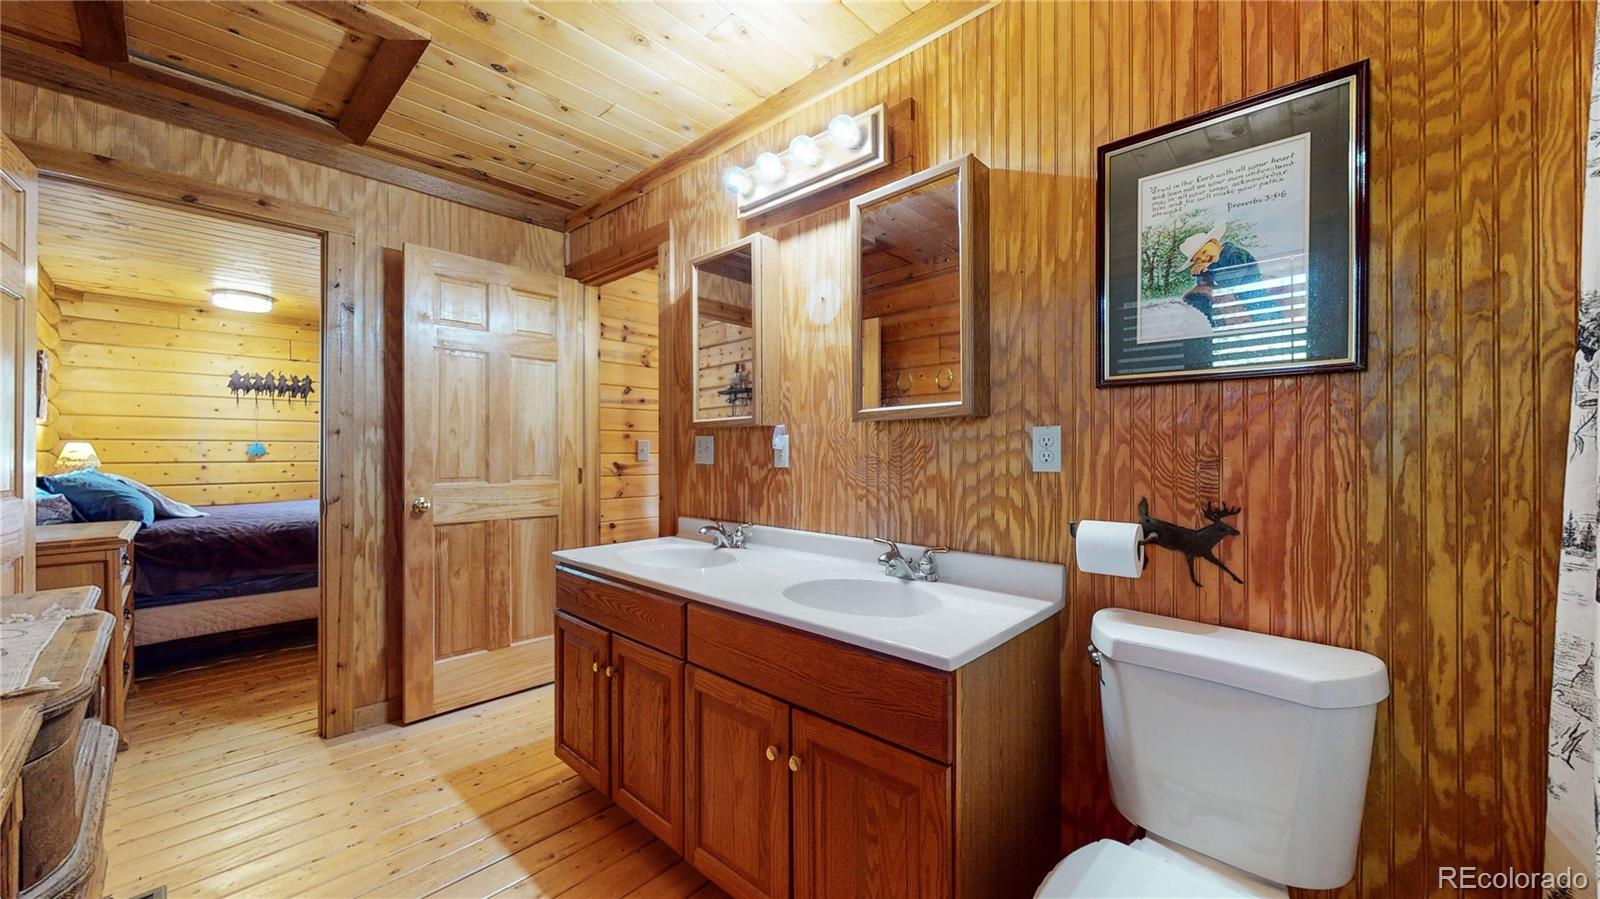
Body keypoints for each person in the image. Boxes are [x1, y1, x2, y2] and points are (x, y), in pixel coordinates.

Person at [1177, 222, 1275, 325]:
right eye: (1198, 259)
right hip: (1237, 298)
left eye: (1204, 252)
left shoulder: (1236, 255)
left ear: (1215, 243)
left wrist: (1209, 268)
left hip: (1252, 296)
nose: (1204, 258)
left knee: (1262, 315)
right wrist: (1201, 273)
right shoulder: (1212, 263)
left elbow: (1230, 281)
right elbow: (1207, 285)